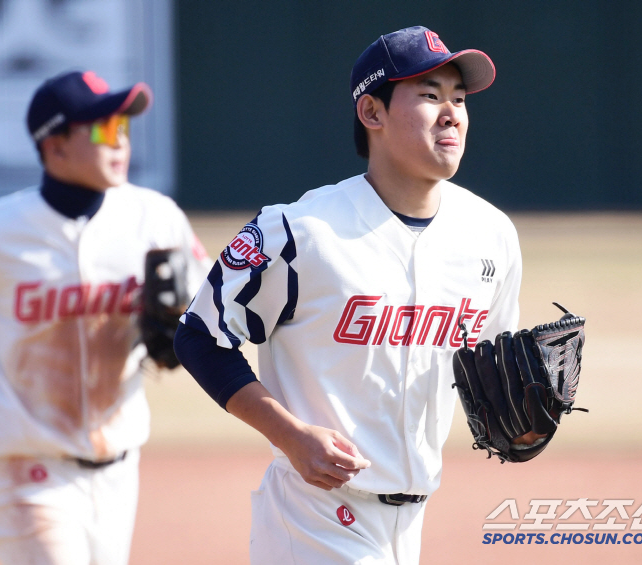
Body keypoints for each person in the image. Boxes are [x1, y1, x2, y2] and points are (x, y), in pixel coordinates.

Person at [175, 25, 532, 564]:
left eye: (459, 99)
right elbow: (199, 337)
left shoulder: (492, 234)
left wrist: (521, 419)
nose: (452, 113)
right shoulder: (302, 231)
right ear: (372, 113)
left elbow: (491, 364)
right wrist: (289, 434)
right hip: (315, 516)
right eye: (431, 95)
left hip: (412, 520)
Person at [0, 70, 210, 565]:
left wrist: (181, 329)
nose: (119, 143)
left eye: (124, 129)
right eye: (102, 130)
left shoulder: (153, 217)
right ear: (55, 146)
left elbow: (205, 312)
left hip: (119, 469)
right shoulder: (6, 232)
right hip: (27, 466)